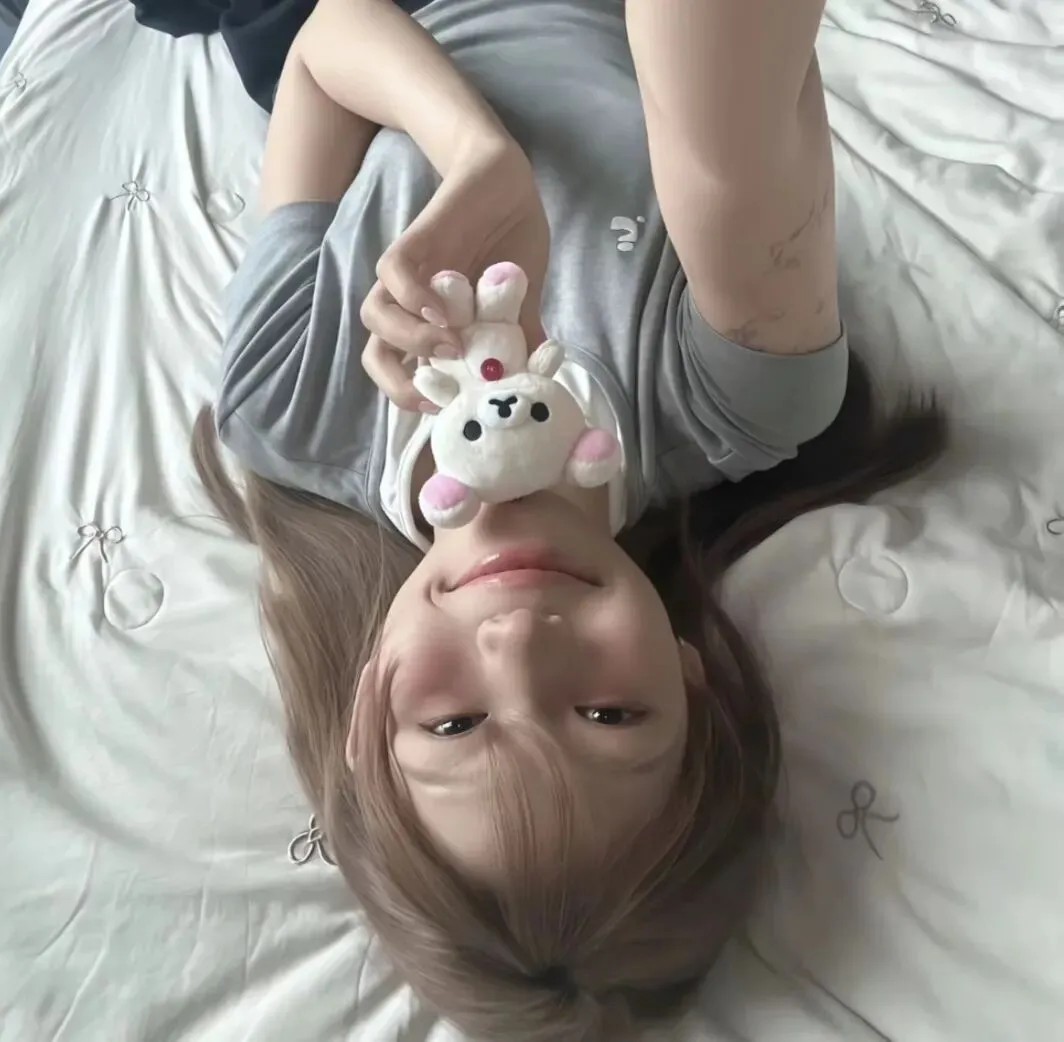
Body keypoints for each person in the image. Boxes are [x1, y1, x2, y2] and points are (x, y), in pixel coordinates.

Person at [192, 1, 945, 1039]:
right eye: (607, 715)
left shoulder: (285, 403)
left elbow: (323, 49)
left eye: (454, 725)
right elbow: (722, 89)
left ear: (366, 718)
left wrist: (477, 153)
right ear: (692, 682)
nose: (519, 643)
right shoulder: (737, 399)